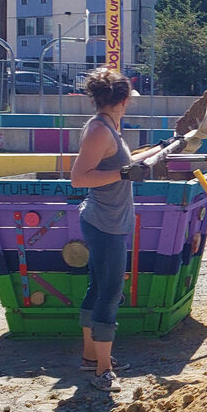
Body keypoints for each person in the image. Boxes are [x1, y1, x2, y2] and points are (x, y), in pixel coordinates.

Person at [69, 68, 143, 392]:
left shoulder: (110, 127)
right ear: (123, 100)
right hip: (105, 224)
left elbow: (115, 166)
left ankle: (90, 358)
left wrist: (142, 160)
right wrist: (126, 173)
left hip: (107, 221)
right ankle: (102, 371)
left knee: (98, 288)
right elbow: (79, 177)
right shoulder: (100, 131)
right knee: (110, 294)